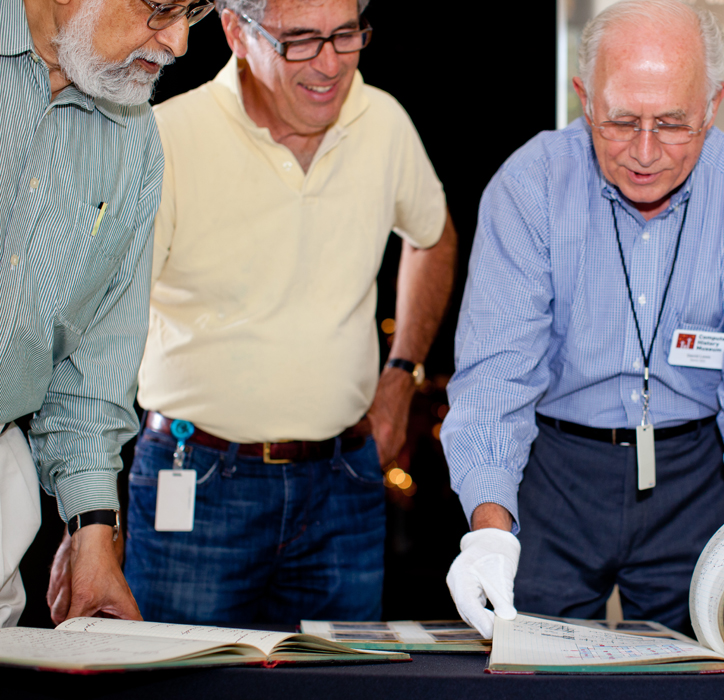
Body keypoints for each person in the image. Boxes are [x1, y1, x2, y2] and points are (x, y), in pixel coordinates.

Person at [48, 0, 456, 625]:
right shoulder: (164, 138)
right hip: (196, 481)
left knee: (344, 687)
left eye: (346, 34)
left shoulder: (383, 121)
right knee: (181, 684)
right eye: (301, 40)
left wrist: (402, 376)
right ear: (237, 32)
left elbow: (433, 237)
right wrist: (89, 521)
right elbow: (98, 336)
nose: (330, 64)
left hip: (345, 484)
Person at [441, 0, 724, 639]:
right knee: (536, 671)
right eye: (621, 121)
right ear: (584, 98)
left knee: (698, 678)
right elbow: (496, 379)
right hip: (554, 472)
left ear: (713, 104)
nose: (644, 153)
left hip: (699, 476)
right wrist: (490, 527)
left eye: (672, 123)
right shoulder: (530, 186)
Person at [0, 0, 209, 627]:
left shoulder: (135, 139)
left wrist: (93, 535)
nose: (179, 42)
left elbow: (96, 361)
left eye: (193, 11)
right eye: (162, 7)